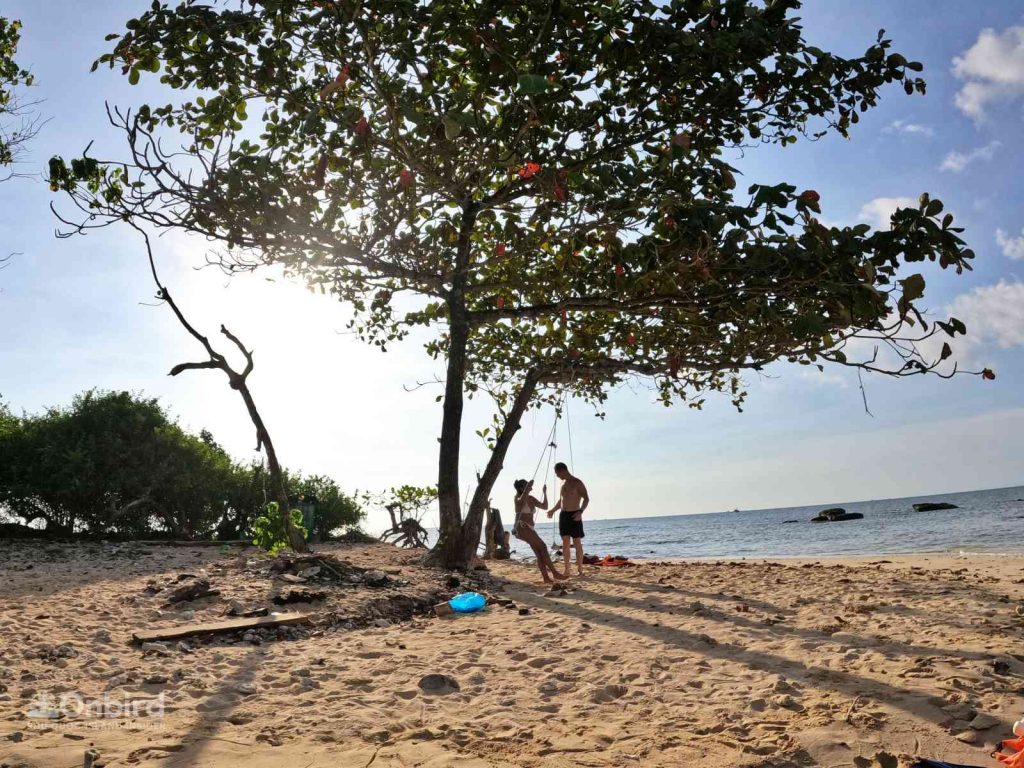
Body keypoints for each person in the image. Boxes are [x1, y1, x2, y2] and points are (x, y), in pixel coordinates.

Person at [512, 479, 566, 583]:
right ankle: (555, 573)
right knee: (543, 546)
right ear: (522, 488)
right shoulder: (517, 498)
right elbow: (521, 503)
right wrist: (527, 489)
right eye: (527, 486)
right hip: (522, 527)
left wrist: (544, 493)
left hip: (529, 528)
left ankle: (546, 578)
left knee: (539, 552)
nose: (531, 487)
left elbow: (544, 506)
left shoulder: (531, 498)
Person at [547, 462, 588, 577]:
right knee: (565, 542)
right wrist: (552, 510)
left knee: (577, 542)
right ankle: (567, 569)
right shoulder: (562, 484)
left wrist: (580, 512)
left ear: (562, 471)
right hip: (563, 515)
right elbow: (561, 501)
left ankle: (580, 569)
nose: (556, 476)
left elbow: (586, 499)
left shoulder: (577, 483)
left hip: (575, 514)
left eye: (557, 473)